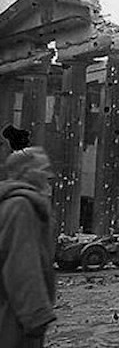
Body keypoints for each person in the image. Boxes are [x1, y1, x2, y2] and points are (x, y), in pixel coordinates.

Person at [0, 147, 57, 347]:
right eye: (43, 169)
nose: (48, 175)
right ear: (27, 173)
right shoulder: (20, 207)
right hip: (14, 317)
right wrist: (36, 315)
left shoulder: (13, 203)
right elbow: (22, 266)